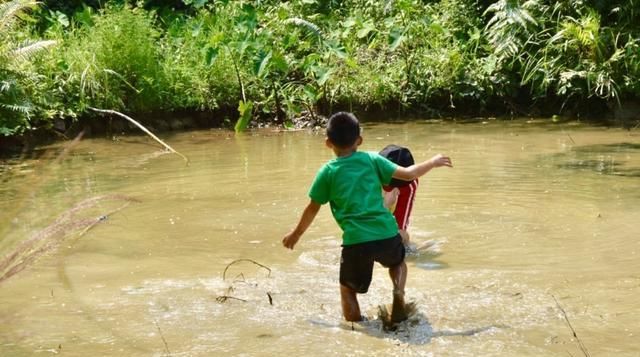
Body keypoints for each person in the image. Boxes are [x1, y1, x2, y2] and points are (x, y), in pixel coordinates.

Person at [282, 112, 452, 323]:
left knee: (347, 289)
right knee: (397, 263)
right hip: (387, 234)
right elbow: (408, 174)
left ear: (328, 143)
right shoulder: (372, 159)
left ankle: (357, 328)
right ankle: (398, 291)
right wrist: (433, 162)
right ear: (359, 140)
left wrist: (296, 234)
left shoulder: (327, 172)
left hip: (356, 242)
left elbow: (312, 208)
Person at [380, 145, 419, 249]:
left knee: (401, 235)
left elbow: (401, 227)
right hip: (377, 205)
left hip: (390, 202)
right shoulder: (367, 175)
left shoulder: (410, 183)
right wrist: (385, 205)